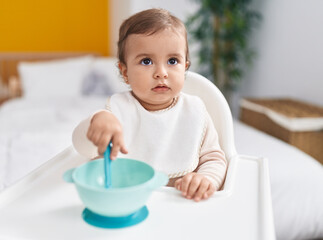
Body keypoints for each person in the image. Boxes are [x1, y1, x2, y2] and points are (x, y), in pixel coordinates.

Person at [72, 8, 227, 202]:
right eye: (146, 61)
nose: (161, 72)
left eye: (172, 61)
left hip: (181, 203)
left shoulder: (195, 110)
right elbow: (82, 147)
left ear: (185, 67)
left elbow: (214, 159)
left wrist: (205, 180)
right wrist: (97, 120)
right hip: (128, 201)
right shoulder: (118, 111)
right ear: (125, 71)